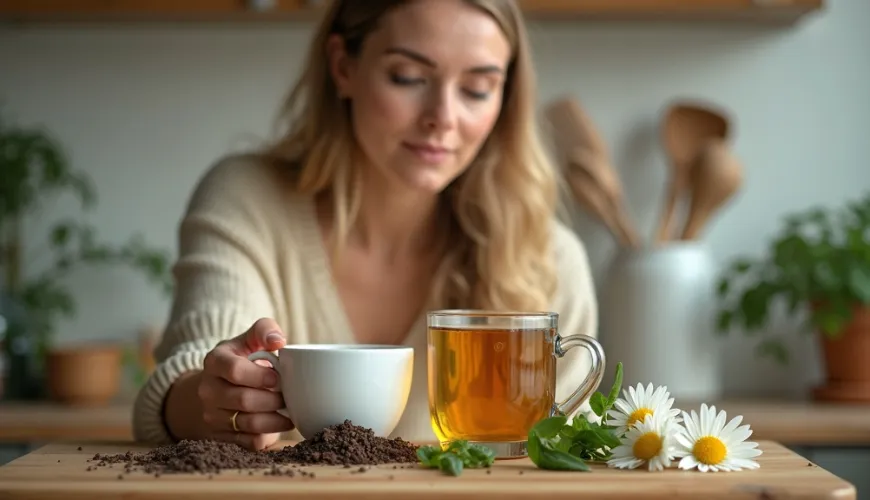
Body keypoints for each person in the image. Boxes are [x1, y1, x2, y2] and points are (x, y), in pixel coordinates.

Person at [132, 0, 599, 451]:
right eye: (408, 77)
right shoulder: (248, 200)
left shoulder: (549, 259)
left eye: (477, 89)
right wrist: (211, 400)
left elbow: (563, 453)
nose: (443, 116)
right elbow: (191, 376)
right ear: (343, 66)